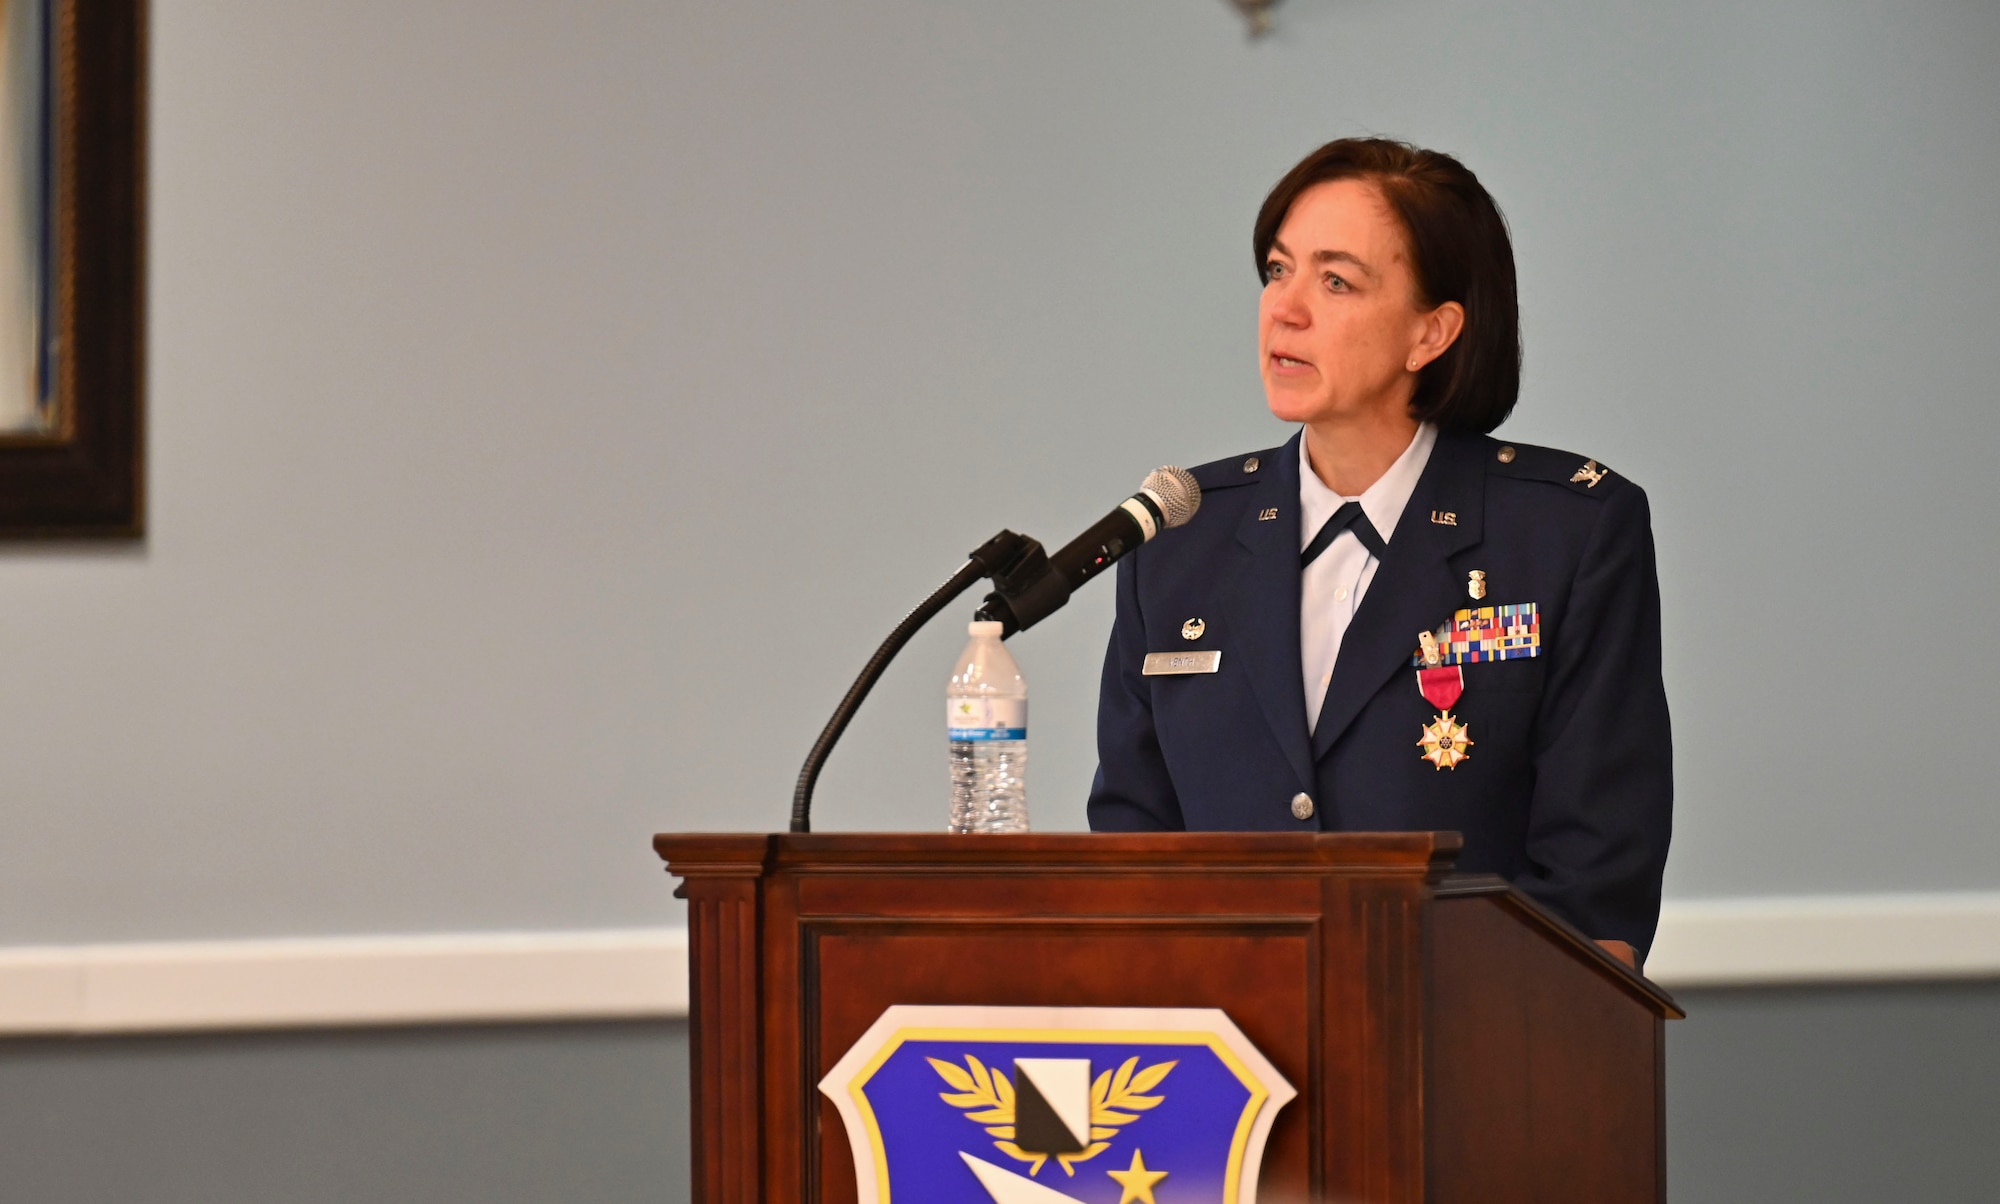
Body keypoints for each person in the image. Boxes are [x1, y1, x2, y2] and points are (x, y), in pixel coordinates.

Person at [1087, 138, 1672, 962]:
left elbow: (1593, 889)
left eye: (1335, 282)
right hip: (1224, 1056)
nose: (1285, 309)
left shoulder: (1567, 535)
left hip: (1473, 1053)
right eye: (1277, 271)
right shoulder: (1181, 539)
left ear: (1431, 332)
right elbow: (1133, 856)